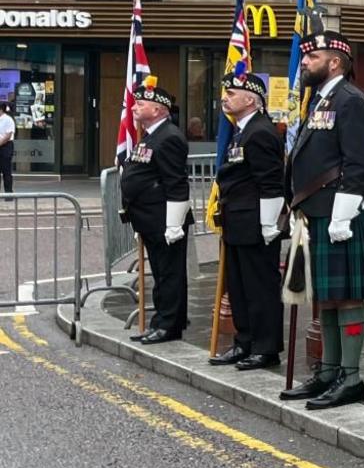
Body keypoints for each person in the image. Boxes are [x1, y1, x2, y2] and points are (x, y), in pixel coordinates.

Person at [280, 23, 364, 410]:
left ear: (335, 62)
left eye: (312, 57)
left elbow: (358, 163)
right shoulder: (322, 100)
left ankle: (351, 377)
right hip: (317, 211)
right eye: (305, 56)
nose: (304, 62)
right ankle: (328, 371)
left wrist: (343, 215)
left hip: (341, 213)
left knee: (347, 297)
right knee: (326, 297)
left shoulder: (350, 100)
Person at [208, 71, 286, 370]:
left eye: (232, 93)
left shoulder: (261, 132)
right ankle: (245, 341)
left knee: (260, 288)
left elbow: (270, 182)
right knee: (238, 287)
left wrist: (269, 225)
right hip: (238, 221)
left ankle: (265, 348)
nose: (225, 98)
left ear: (251, 99)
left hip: (256, 223)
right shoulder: (242, 131)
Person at [119, 80, 192, 345]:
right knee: (161, 274)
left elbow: (176, 183)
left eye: (141, 104)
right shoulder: (151, 136)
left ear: (160, 110)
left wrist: (174, 225)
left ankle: (169, 325)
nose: (134, 107)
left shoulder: (169, 137)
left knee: (170, 274)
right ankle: (161, 321)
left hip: (164, 219)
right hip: (150, 218)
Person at [0, 102, 15, 192]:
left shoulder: (8, 119)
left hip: (6, 146)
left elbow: (8, 135)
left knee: (6, 171)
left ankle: (8, 194)